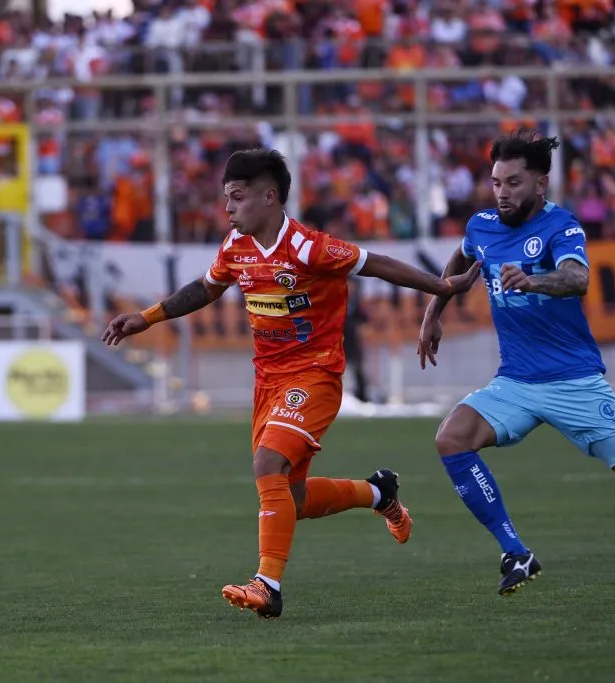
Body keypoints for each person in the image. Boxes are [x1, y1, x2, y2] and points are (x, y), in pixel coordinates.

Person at [103, 148, 481, 619]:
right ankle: (379, 493)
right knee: (292, 499)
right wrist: (147, 317)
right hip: (268, 383)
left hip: (316, 375)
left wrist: (441, 288)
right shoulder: (235, 247)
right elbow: (206, 288)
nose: (228, 208)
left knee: (267, 465)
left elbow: (377, 263)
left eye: (237, 198)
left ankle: (268, 585)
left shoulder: (309, 247)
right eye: (226, 198)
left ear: (270, 196)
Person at [417, 131, 615, 606]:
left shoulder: (561, 226)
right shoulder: (482, 226)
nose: (502, 192)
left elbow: (578, 278)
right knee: (450, 439)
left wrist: (532, 279)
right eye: (496, 182)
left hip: (575, 382)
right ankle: (515, 551)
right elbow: (462, 260)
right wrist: (433, 313)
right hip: (515, 381)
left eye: (514, 181)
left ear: (541, 184)